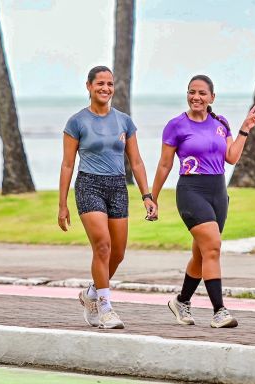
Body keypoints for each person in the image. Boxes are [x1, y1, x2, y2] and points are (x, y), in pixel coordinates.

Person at [151, 75, 255, 328]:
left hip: (218, 191)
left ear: (212, 97)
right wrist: (152, 197)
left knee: (203, 254)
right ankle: (219, 311)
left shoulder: (221, 123)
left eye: (202, 93)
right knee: (212, 246)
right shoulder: (176, 125)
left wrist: (245, 129)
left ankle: (181, 301)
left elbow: (232, 157)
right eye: (192, 92)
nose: (196, 97)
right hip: (191, 190)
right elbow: (165, 164)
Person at [58, 66, 156, 329]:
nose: (105, 88)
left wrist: (147, 196)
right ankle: (106, 307)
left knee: (118, 252)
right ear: (88, 86)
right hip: (89, 184)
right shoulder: (76, 121)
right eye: (100, 83)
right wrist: (62, 204)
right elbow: (67, 164)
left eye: (110, 84)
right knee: (102, 245)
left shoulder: (124, 121)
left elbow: (135, 161)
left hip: (117, 187)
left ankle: (90, 294)